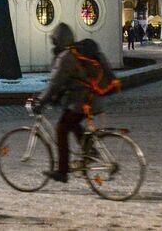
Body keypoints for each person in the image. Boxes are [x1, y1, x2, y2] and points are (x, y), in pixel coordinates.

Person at [36, 23, 109, 184]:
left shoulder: (66, 57)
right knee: (72, 122)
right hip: (93, 98)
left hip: (84, 101)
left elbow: (55, 83)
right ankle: (90, 151)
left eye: (54, 41)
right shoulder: (76, 53)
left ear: (58, 41)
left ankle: (62, 171)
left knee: (61, 129)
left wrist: (41, 102)